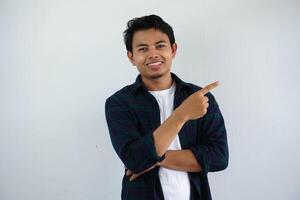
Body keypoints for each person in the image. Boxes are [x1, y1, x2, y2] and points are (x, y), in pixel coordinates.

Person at [105, 14, 229, 200]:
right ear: (131, 57)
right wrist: (182, 114)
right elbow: (135, 160)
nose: (153, 54)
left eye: (160, 46)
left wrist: (155, 160)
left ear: (173, 50)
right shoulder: (119, 103)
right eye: (143, 49)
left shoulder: (200, 98)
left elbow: (219, 157)